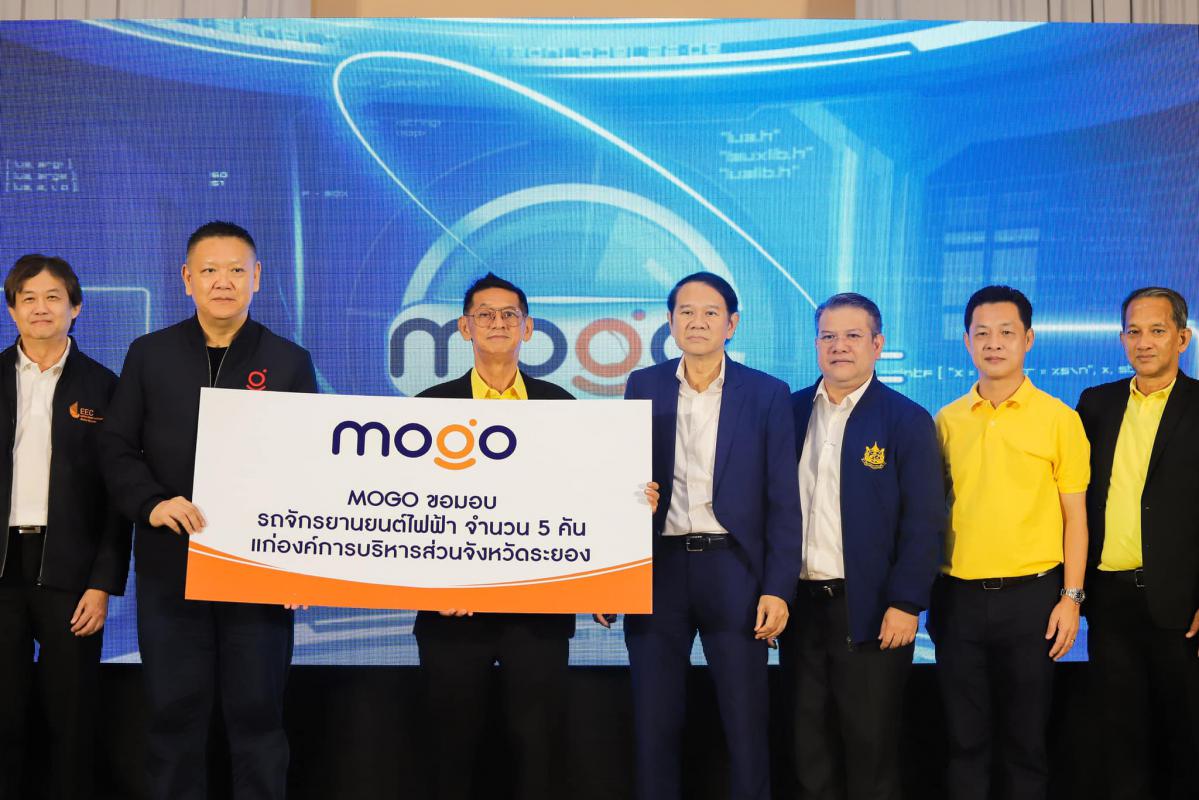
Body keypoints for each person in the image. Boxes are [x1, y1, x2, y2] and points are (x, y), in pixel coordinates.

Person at [100, 221, 317, 800]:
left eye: (237, 270)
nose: (224, 282)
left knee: (258, 715)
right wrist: (151, 502)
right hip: (171, 567)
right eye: (210, 270)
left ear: (257, 278)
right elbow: (116, 447)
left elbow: (310, 467)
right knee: (173, 715)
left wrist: (299, 562)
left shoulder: (288, 361)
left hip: (258, 571)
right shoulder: (149, 354)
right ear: (187, 279)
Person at [599, 271, 801, 800]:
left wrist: (778, 588)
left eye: (710, 312)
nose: (697, 321)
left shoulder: (767, 393)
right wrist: (607, 575)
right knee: (654, 719)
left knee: (746, 720)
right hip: (659, 569)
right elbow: (620, 481)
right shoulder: (643, 385)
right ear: (670, 323)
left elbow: (784, 501)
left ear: (731, 324)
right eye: (686, 312)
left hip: (733, 569)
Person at [413, 272, 575, 800]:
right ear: (465, 328)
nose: (498, 323)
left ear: (528, 328)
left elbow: (581, 501)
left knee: (539, 750)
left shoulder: (564, 407)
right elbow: (407, 510)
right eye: (485, 314)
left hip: (539, 610)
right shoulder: (426, 408)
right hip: (452, 611)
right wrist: (434, 582)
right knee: (450, 750)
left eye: (509, 314)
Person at [931, 285, 1089, 800]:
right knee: (964, 743)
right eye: (982, 334)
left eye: (1006, 332)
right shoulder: (946, 420)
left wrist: (1071, 598)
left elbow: (1076, 518)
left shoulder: (1060, 419)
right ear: (966, 341)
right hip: (958, 599)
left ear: (1029, 339)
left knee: (1026, 745)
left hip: (1033, 601)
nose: (993, 344)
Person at [783, 292, 943, 800]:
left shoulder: (906, 419)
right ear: (816, 345)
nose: (839, 346)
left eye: (853, 336)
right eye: (828, 336)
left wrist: (906, 602)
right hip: (800, 607)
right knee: (808, 744)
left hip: (872, 610)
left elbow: (925, 521)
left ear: (877, 344)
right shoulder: (789, 412)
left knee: (870, 748)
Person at [0, 254, 131, 800]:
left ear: (76, 308)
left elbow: (120, 499)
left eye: (53, 297)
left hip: (73, 576)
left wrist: (102, 584)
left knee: (72, 718)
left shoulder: (105, 386)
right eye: (27, 298)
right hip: (2, 570)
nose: (41, 308)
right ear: (12, 310)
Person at [1076, 286, 1199, 799]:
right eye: (1133, 331)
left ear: (1182, 338)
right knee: (1120, 739)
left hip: (1182, 605)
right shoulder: (1096, 404)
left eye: (1157, 330)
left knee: (1186, 740)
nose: (1143, 342)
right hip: (1110, 601)